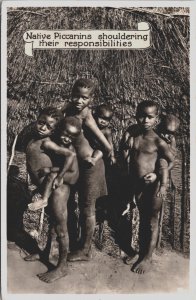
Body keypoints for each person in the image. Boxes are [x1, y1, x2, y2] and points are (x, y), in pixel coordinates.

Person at [24, 108, 80, 283]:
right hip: (47, 188)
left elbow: (71, 156)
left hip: (58, 191)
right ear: (36, 119)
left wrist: (60, 175)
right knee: (52, 223)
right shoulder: (35, 138)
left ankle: (62, 267)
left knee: (60, 228)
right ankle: (45, 253)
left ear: (54, 130)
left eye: (48, 126)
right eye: (41, 122)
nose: (42, 127)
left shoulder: (47, 143)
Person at [121, 100, 175, 274]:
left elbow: (172, 161)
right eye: (142, 116)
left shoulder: (158, 141)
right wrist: (127, 138)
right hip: (137, 185)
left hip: (154, 188)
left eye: (150, 117)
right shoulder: (134, 134)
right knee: (143, 220)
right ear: (136, 116)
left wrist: (157, 176)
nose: (145, 120)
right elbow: (126, 143)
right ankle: (141, 252)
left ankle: (147, 257)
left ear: (156, 119)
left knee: (151, 222)